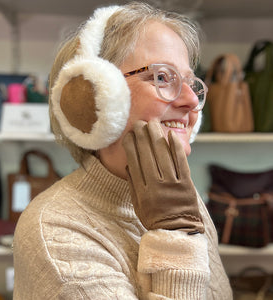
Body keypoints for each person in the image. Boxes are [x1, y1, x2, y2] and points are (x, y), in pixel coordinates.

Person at [13, 2, 232, 299]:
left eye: (192, 83)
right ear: (94, 97)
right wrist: (175, 235)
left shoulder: (182, 199)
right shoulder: (55, 232)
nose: (192, 101)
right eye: (163, 77)